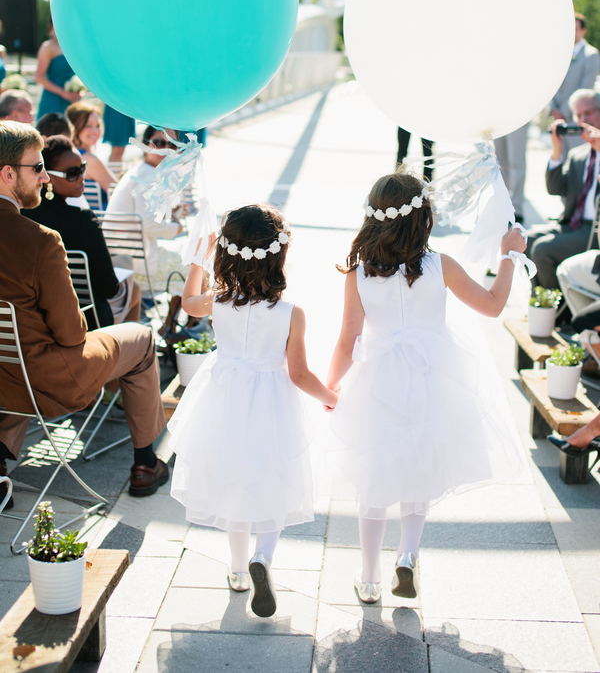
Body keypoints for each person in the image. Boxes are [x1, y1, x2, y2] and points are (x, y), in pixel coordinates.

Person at [325, 170, 524, 603]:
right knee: (420, 469)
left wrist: (332, 388)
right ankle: (408, 556)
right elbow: (492, 307)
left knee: (374, 479)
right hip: (435, 378)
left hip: (377, 383)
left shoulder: (358, 274)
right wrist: (508, 255)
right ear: (424, 218)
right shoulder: (441, 266)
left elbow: (347, 340)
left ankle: (370, 577)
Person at [168, 204, 338, 618]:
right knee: (274, 479)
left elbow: (189, 302)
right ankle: (264, 556)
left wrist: (198, 256)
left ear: (226, 254)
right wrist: (330, 396)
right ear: (278, 256)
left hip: (224, 398)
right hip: (272, 404)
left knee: (235, 481)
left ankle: (238, 570)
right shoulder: (290, 312)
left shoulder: (221, 302)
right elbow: (299, 374)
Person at [0, 121, 169, 509]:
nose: (44, 176)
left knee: (19, 357)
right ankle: (145, 463)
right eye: (36, 167)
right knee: (141, 339)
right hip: (48, 381)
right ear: (8, 174)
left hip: (8, 374)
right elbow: (72, 336)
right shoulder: (40, 240)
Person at [22, 136, 140, 328]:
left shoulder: (22, 214)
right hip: (86, 317)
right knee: (134, 290)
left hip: (40, 316)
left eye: (82, 169)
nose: (81, 178)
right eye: (72, 173)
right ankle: (125, 353)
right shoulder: (83, 220)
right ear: (47, 176)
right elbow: (109, 289)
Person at [106, 125, 193, 335]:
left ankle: (174, 326)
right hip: (136, 264)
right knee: (194, 266)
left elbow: (144, 218)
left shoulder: (140, 172)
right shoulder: (148, 175)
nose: (165, 149)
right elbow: (148, 224)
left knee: (189, 259)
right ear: (146, 146)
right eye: (159, 143)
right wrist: (177, 227)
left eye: (172, 144)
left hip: (120, 257)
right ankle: (178, 328)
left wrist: (170, 215)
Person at [526, 89, 600, 290]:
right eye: (579, 115)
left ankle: (558, 312)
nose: (584, 120)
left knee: (543, 250)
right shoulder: (578, 155)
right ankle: (544, 304)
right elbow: (555, 189)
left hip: (595, 232)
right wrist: (557, 151)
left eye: (589, 113)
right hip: (572, 225)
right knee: (524, 240)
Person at [549, 12, 599, 152]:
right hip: (557, 118)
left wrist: (563, 111)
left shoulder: (591, 55)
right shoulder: (560, 53)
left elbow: (585, 87)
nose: (572, 33)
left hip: (576, 118)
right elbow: (552, 81)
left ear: (584, 31)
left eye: (576, 29)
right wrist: (552, 108)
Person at [67, 101, 117, 206]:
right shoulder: (88, 160)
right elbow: (118, 192)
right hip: (103, 216)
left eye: (98, 125)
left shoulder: (69, 154)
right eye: (88, 125)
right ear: (74, 128)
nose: (95, 131)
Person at [35, 18, 82, 119]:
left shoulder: (74, 47)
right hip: (53, 97)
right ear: (51, 27)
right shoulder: (48, 48)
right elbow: (38, 77)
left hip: (72, 98)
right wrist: (62, 93)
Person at [494, 122, 529, 225]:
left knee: (516, 162)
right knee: (500, 163)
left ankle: (516, 207)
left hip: (518, 117)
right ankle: (503, 205)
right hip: (498, 118)